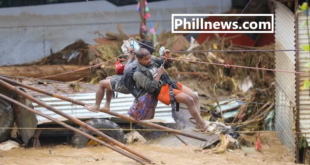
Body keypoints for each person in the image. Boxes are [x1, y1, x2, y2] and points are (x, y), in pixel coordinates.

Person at [124, 48, 208, 132]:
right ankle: (202, 124)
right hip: (161, 91)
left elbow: (166, 65)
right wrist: (159, 74)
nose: (149, 60)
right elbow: (150, 89)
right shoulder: (137, 73)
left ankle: (198, 124)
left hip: (169, 83)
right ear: (139, 59)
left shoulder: (152, 60)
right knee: (189, 100)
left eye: (149, 57)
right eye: (146, 59)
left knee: (195, 96)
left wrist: (168, 58)